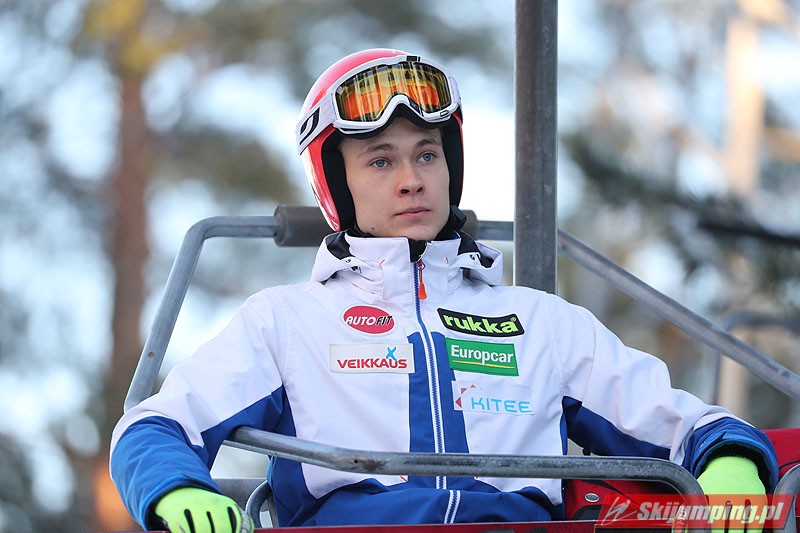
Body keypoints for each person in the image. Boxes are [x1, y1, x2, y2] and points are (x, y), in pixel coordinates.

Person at [110, 48, 779, 533]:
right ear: (336, 185)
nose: (412, 179)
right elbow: (155, 426)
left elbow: (682, 422)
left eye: (427, 154)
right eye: (380, 160)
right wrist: (174, 490)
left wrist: (729, 457)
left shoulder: (538, 322)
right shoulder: (286, 323)